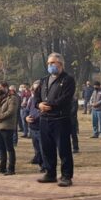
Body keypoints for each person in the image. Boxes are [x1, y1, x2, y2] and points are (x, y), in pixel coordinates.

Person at [35, 53, 76, 187]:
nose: (50, 65)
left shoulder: (68, 80)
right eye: (48, 63)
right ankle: (50, 173)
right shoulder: (43, 80)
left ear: (60, 64)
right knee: (47, 148)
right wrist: (39, 105)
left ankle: (66, 176)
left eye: (53, 63)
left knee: (63, 149)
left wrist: (50, 105)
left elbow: (66, 98)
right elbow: (36, 97)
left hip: (60, 119)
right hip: (44, 119)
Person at [0, 82, 19, 175]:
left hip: (7, 126)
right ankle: (2, 167)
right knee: (1, 148)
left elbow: (11, 111)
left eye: (0, 88)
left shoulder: (13, 98)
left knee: (9, 148)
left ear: (5, 87)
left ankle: (11, 169)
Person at [25, 80, 45, 172]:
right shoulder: (32, 99)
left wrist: (33, 118)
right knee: (37, 149)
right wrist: (26, 118)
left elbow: (42, 112)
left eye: (36, 89)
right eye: (33, 88)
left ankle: (45, 167)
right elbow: (28, 110)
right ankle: (41, 165)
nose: (33, 90)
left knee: (44, 149)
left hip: (41, 127)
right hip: (32, 128)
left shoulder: (44, 100)